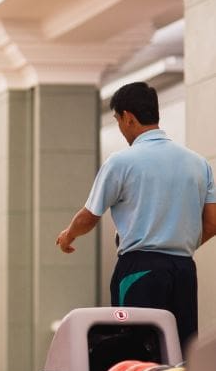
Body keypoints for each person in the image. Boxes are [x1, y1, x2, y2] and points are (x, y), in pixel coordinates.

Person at [56, 82, 216, 353]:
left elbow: (90, 216)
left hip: (140, 267)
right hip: (184, 269)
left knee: (135, 349)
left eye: (118, 120)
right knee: (181, 350)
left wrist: (68, 236)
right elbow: (212, 222)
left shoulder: (121, 162)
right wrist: (177, 243)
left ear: (128, 117)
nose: (120, 127)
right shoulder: (199, 164)